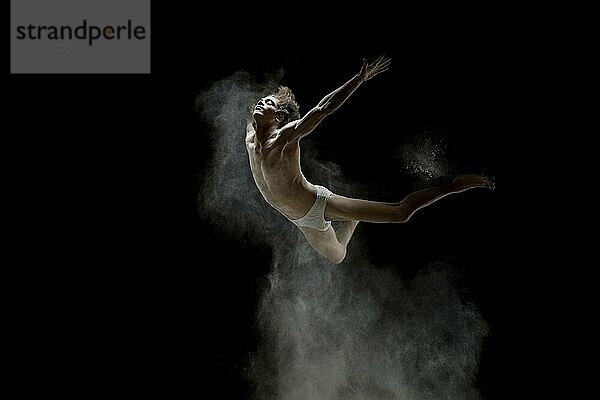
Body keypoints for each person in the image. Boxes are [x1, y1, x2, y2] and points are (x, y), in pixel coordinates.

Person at [245, 55, 494, 264]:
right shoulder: (249, 138)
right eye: (261, 100)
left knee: (401, 213)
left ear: (278, 118)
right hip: (299, 219)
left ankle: (456, 185)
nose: (260, 102)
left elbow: (323, 109)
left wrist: (358, 79)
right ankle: (354, 216)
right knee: (338, 257)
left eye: (268, 102)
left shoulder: (284, 139)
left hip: (317, 203)